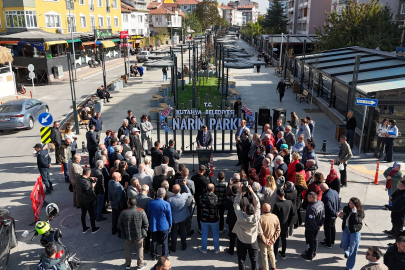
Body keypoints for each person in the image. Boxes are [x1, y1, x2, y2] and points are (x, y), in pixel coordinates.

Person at [233, 185, 261, 270]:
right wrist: (252, 192)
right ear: (254, 211)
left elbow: (236, 204)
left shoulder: (240, 217)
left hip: (241, 240)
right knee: (254, 260)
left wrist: (240, 192)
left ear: (245, 210)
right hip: (253, 241)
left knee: (241, 260)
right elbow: (258, 203)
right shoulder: (256, 218)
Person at [118, 197, 148, 270]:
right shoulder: (141, 211)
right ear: (135, 204)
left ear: (128, 204)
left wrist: (123, 231)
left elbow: (120, 224)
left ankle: (127, 265)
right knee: (140, 249)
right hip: (139, 234)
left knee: (128, 249)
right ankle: (140, 265)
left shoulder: (123, 212)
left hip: (128, 234)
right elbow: (146, 224)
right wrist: (144, 231)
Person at [338, 197, 365, 270]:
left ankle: (349, 266)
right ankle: (347, 252)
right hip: (346, 229)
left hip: (354, 231)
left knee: (353, 250)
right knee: (344, 244)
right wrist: (342, 215)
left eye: (352, 203)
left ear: (356, 205)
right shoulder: (346, 208)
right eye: (349, 202)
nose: (350, 204)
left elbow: (356, 221)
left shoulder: (360, 212)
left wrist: (354, 212)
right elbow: (345, 218)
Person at [147, 187, 172, 260]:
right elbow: (169, 216)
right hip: (164, 225)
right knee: (164, 241)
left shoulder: (150, 203)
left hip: (154, 225)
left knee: (154, 240)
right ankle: (164, 255)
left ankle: (153, 255)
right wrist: (170, 224)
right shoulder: (166, 204)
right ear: (163, 195)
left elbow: (148, 214)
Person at [167, 181, 191, 252]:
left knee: (173, 233)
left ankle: (173, 248)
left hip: (174, 218)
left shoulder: (169, 199)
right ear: (180, 190)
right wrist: (185, 185)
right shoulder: (183, 196)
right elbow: (189, 193)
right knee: (182, 231)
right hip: (183, 217)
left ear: (172, 191)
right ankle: (184, 246)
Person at [301, 191, 325, 261]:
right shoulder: (321, 203)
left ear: (314, 198)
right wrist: (320, 224)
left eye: (309, 197)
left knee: (309, 241)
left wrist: (316, 227)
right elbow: (323, 214)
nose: (308, 198)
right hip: (317, 226)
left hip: (310, 228)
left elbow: (311, 220)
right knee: (315, 239)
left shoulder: (311, 208)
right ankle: (313, 252)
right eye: (308, 196)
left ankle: (310, 255)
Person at [198, 183, 220, 254]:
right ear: (213, 190)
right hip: (214, 219)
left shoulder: (201, 197)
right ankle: (216, 249)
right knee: (215, 234)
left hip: (204, 218)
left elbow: (200, 205)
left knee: (204, 234)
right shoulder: (216, 197)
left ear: (206, 189)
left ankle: (204, 249)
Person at [77, 168, 100, 234]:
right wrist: (92, 186)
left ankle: (84, 228)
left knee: (83, 213)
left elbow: (84, 180)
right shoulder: (86, 183)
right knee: (91, 214)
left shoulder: (78, 178)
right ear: (88, 173)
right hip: (88, 201)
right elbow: (90, 192)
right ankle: (94, 228)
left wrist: (90, 178)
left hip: (81, 199)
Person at [272, 189, 294, 259]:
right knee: (284, 239)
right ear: (284, 194)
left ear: (278, 195)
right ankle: (283, 253)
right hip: (285, 224)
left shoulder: (277, 205)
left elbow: (273, 216)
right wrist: (288, 221)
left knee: (276, 240)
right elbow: (292, 213)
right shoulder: (289, 202)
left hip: (277, 225)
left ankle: (274, 254)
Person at [258, 203, 280, 270]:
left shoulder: (260, 218)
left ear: (262, 209)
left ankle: (266, 268)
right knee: (271, 252)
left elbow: (259, 232)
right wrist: (273, 240)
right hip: (271, 240)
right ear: (270, 209)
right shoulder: (275, 217)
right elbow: (278, 230)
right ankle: (273, 266)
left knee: (264, 255)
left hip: (263, 241)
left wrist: (265, 240)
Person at [320, 183, 340, 248]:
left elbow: (328, 207)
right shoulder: (335, 192)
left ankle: (328, 243)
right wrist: (337, 212)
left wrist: (335, 213)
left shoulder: (326, 196)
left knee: (327, 229)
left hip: (329, 216)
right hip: (334, 215)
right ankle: (332, 241)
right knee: (333, 228)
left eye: (321, 189)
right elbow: (339, 202)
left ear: (323, 188)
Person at [192, 165, 211, 232]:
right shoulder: (205, 179)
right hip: (203, 198)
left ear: (198, 169)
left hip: (196, 196)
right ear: (204, 171)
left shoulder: (193, 177)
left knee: (199, 212)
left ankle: (200, 227)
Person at [109, 172, 126, 236]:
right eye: (120, 177)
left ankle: (114, 230)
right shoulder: (119, 187)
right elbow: (119, 199)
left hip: (114, 205)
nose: (121, 177)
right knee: (119, 219)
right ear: (116, 179)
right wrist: (111, 202)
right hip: (119, 205)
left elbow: (109, 192)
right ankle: (119, 232)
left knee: (114, 218)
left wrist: (110, 200)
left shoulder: (110, 182)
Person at [224, 185, 239, 255]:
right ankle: (239, 249)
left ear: (232, 192)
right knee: (239, 235)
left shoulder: (230, 199)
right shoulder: (241, 199)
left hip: (231, 219)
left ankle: (231, 250)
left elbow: (225, 208)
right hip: (239, 219)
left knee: (232, 235)